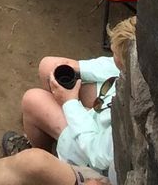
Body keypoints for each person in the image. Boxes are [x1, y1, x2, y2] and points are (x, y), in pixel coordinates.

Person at [7, 20, 136, 180]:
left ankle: (44, 165)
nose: (111, 51)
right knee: (50, 68)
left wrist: (70, 102)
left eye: (115, 54)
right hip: (105, 108)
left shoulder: (132, 118)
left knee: (32, 100)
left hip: (90, 153)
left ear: (128, 66)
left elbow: (97, 154)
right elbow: (111, 66)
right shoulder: (141, 74)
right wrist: (80, 70)